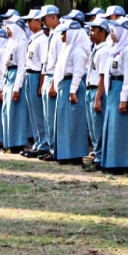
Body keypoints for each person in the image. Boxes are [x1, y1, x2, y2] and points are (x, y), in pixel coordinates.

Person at [100, 16, 128, 171]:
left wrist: (124, 98)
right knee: (111, 125)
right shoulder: (114, 50)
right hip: (112, 88)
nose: (111, 34)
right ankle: (110, 161)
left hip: (121, 88)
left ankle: (122, 162)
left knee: (120, 127)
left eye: (114, 30)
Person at [51, 20, 90, 163]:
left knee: (74, 122)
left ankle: (75, 154)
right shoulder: (67, 48)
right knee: (64, 122)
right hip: (64, 86)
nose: (61, 36)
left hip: (72, 87)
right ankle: (64, 153)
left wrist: (73, 91)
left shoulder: (78, 51)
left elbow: (78, 73)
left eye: (64, 33)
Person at [84, 17, 112, 169]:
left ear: (102, 32)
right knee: (93, 126)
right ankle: (96, 152)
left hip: (97, 90)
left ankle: (100, 156)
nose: (90, 32)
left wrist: (98, 97)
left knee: (98, 126)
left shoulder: (105, 51)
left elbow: (102, 76)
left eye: (93, 30)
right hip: (90, 89)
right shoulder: (96, 49)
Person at [19, 10, 47, 157]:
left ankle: (43, 144)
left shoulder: (42, 40)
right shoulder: (34, 39)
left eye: (31, 20)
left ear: (38, 21)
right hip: (30, 75)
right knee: (33, 113)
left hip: (37, 76)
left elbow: (43, 65)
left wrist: (41, 84)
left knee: (39, 113)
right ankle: (37, 143)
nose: (28, 23)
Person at [0, 12, 29, 153]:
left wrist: (17, 87)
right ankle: (8, 141)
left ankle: (17, 143)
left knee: (16, 111)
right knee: (7, 110)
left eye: (9, 27)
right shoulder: (10, 42)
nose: (7, 30)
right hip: (8, 77)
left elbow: (22, 67)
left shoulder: (22, 42)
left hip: (16, 77)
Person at [37, 5, 64, 161]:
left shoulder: (61, 34)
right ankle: (50, 146)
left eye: (45, 18)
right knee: (47, 116)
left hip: (54, 76)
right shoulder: (52, 34)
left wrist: (54, 83)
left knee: (53, 117)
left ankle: (55, 149)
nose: (43, 21)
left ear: (53, 17)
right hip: (47, 75)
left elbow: (60, 61)